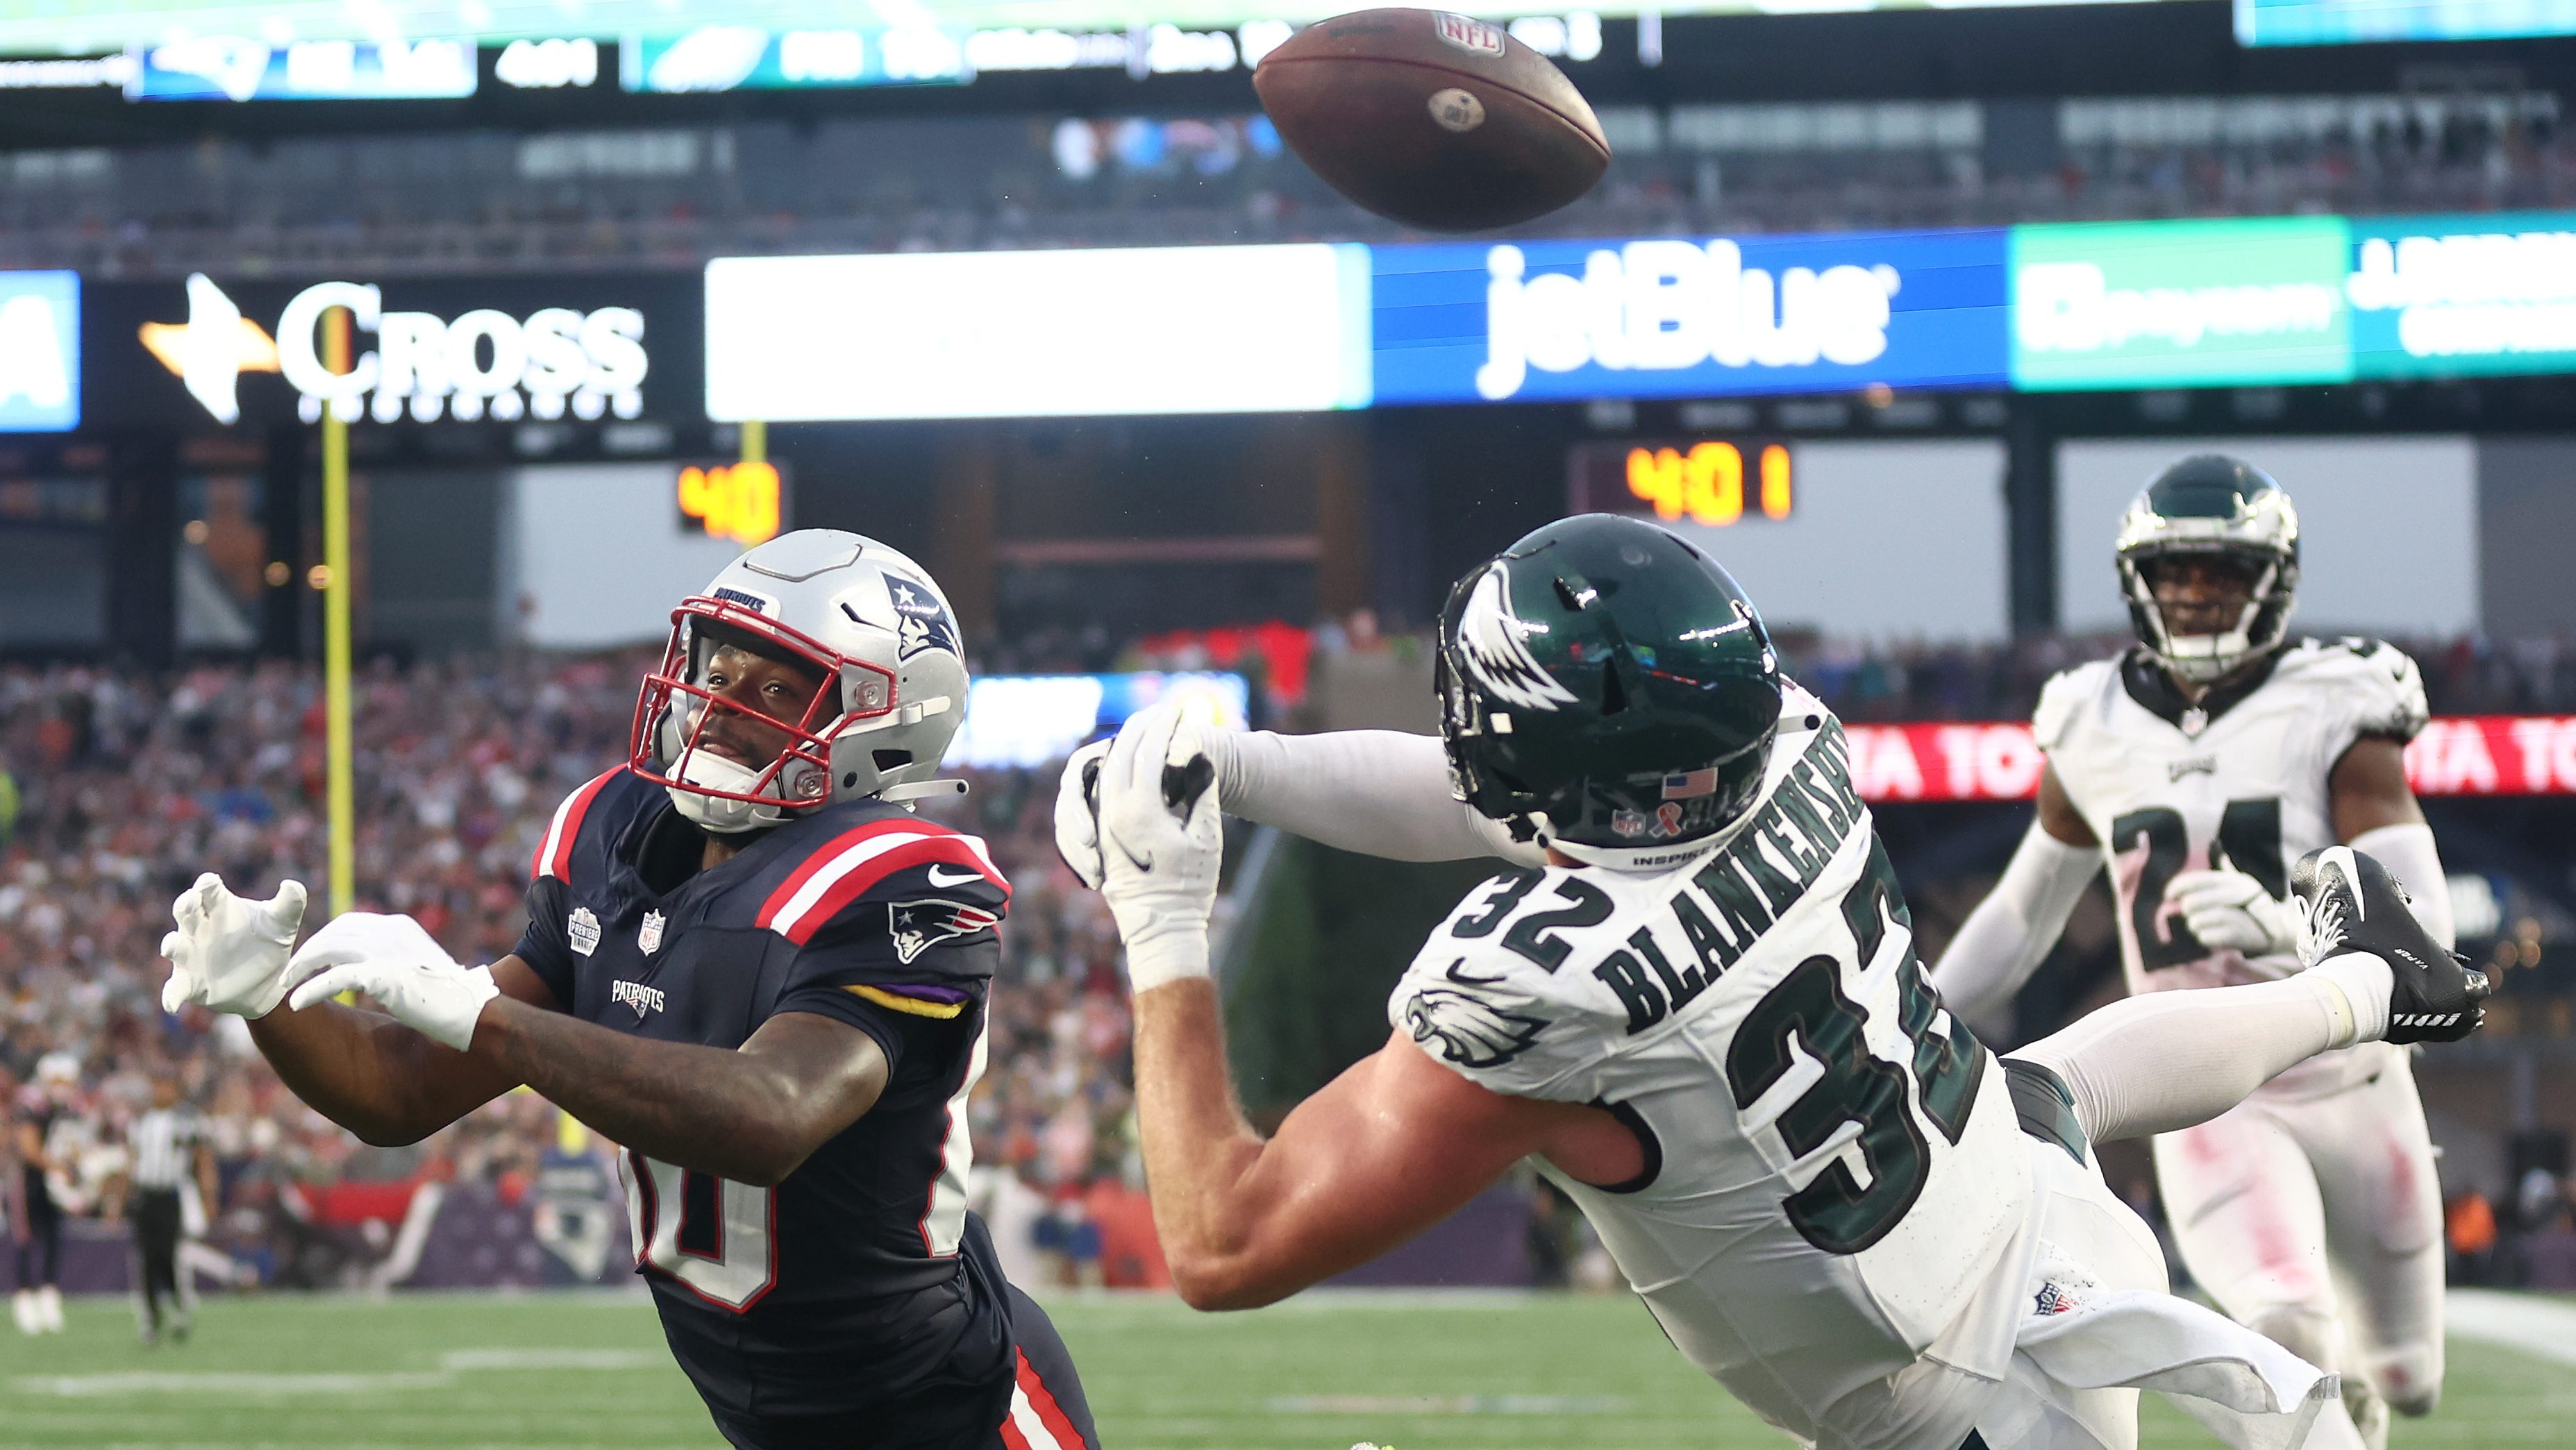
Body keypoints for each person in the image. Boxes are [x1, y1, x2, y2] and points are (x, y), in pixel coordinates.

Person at [1057, 514, 2488, 1450]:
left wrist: (1163, 919)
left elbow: (1223, 1246)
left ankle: (2363, 985)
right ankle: (2366, 983)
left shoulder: (1546, 987)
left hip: (1944, 1396)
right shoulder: (1789, 737)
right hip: (2009, 1187)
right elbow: (1508, 793)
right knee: (2057, 1083)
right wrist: (1236, 771)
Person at [158, 530, 1097, 1450]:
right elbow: (401, 1093)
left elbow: (770, 1117)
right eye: (720, 669)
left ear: (883, 723)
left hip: (953, 1412)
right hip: (768, 1417)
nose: (724, 705)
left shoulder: (900, 878)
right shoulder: (618, 834)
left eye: (777, 688)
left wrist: (487, 1015)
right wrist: (267, 1001)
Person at [1925, 457, 2451, 1447]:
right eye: (2175, 574)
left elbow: (2423, 927)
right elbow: (2023, 912)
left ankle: (2366, 1403)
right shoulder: (2089, 719)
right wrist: (1910, 1014)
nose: (2195, 594)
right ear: (2138, 583)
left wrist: (2282, 925)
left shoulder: (2336, 703)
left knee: (2409, 1374)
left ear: (2272, 582)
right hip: (2213, 1089)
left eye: (2218, 572)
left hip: (2358, 1079)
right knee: (2284, 1315)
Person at [124, 1074, 219, 1344]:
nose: (161, 1091)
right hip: (145, 1195)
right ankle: (150, 1316)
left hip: (170, 1195)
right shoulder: (141, 1120)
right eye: (157, 1085)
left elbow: (202, 1159)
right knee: (145, 1258)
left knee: (167, 1254)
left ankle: (178, 1308)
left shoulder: (187, 1120)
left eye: (166, 1086)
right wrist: (122, 1199)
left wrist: (208, 1196)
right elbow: (133, 1158)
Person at [9, 1052, 78, 1335]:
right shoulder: (31, 1102)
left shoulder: (62, 1107)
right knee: (26, 1238)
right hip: (26, 1179)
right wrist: (57, 1166)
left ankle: (49, 1297)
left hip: (51, 1178)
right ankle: (24, 1299)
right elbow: (28, 1149)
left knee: (53, 1237)